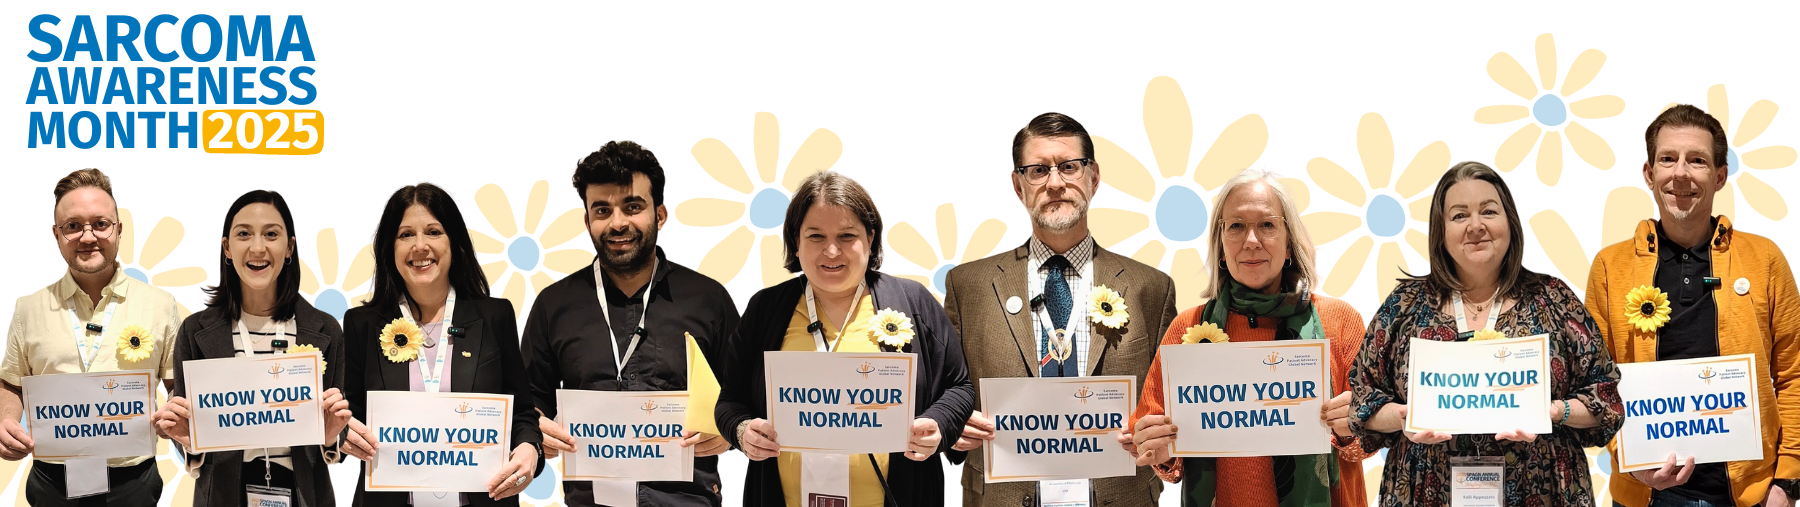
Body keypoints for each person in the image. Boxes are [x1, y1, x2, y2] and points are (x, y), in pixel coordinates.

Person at [1348, 162, 1623, 506]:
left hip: (1542, 491)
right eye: (1459, 215)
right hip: (1426, 491)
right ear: (1441, 230)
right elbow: (1362, 400)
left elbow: (1606, 398)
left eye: (1489, 211)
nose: (1476, 226)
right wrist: (1404, 418)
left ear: (1510, 222)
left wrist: (1552, 411)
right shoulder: (1405, 306)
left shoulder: (1553, 299)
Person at [941, 112, 1175, 507]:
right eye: (1038, 170)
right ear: (1018, 185)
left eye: (1068, 167)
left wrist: (1161, 440)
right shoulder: (968, 286)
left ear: (1093, 177)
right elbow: (948, 391)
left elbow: (1169, 405)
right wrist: (952, 424)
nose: (1054, 183)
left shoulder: (1151, 288)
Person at [714, 171, 974, 507]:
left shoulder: (913, 301)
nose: (832, 250)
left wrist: (938, 425)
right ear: (796, 242)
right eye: (816, 236)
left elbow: (959, 386)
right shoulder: (765, 309)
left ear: (870, 238)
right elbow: (730, 399)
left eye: (847, 236)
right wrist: (741, 430)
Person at [1586, 104, 1800, 507]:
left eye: (1697, 160)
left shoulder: (1765, 259)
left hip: (1750, 495)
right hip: (1645, 495)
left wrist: (1788, 481)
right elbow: (1596, 384)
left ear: (1719, 176)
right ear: (1649, 174)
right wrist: (1628, 459)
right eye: (1668, 159)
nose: (1680, 173)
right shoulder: (1610, 267)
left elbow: (1794, 374)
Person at [1128, 169, 1368, 506]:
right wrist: (1161, 451)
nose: (1251, 240)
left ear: (1289, 243)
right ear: (1221, 246)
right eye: (1236, 226)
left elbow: (1368, 445)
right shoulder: (1188, 328)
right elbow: (1165, 459)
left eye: (1267, 225)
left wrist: (1354, 428)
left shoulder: (1340, 321)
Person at [522, 141, 737, 506]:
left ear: (660, 215)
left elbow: (744, 396)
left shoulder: (708, 300)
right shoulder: (553, 305)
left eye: (633, 207)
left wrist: (729, 430)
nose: (618, 222)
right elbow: (529, 401)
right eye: (602, 210)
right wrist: (533, 429)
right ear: (588, 221)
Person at [340, 183, 542, 505]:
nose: (420, 246)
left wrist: (530, 449)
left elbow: (522, 414)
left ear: (454, 243)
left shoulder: (495, 317)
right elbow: (347, 417)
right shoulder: (361, 324)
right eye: (406, 235)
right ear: (390, 247)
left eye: (433, 232)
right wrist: (340, 433)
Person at [155, 190, 352, 507]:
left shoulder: (326, 330)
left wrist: (331, 436)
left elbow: (333, 433)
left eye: (271, 234)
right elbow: (191, 439)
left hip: (304, 494)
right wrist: (186, 440)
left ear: (289, 248)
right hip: (223, 495)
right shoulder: (194, 332)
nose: (258, 247)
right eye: (244, 234)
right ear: (227, 248)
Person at [0, 169, 180, 506]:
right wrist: (6, 420)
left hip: (134, 480)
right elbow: (11, 383)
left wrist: (176, 412)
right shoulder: (28, 309)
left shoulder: (161, 305)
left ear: (119, 230)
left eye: (100, 224)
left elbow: (176, 386)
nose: (87, 237)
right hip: (52, 481)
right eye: (73, 226)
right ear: (57, 234)